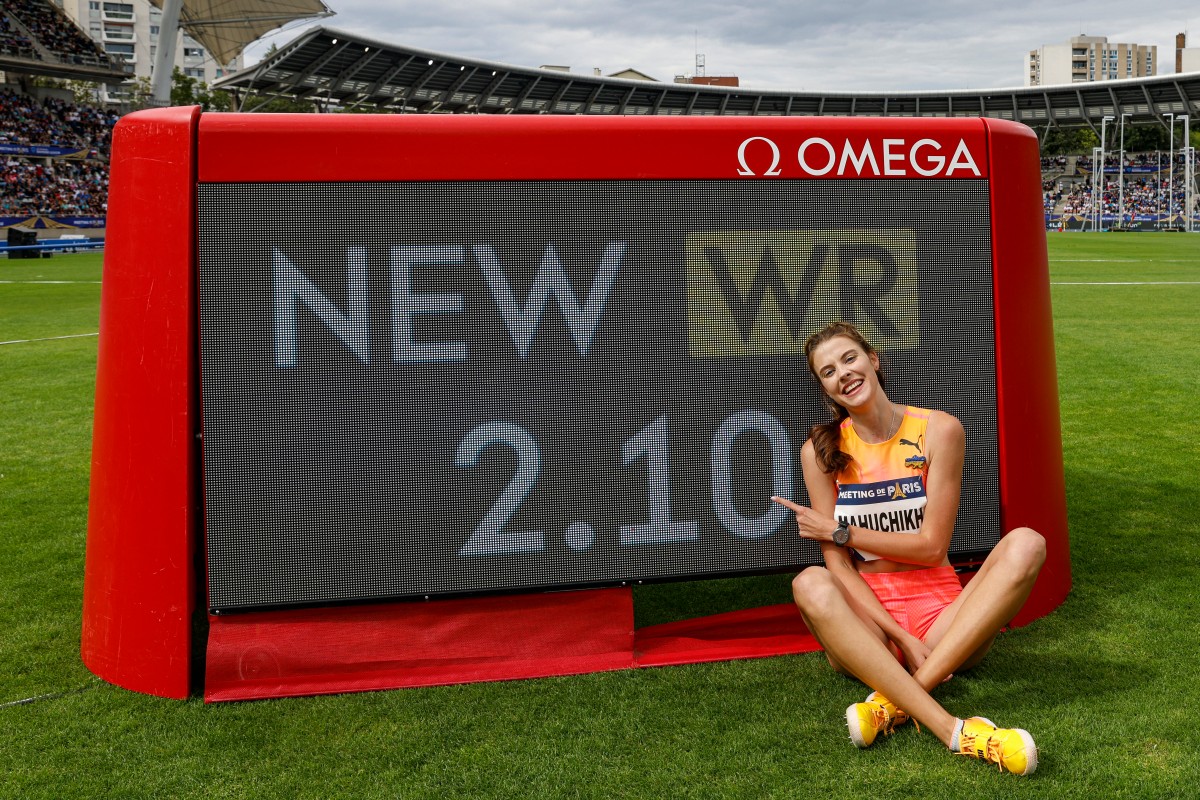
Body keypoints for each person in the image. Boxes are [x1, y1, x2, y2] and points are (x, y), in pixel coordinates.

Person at [771, 320, 1046, 776]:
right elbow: (838, 567)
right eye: (827, 371)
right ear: (825, 387)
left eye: (849, 358)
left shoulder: (939, 430)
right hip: (869, 627)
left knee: (1027, 544)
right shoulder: (819, 452)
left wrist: (841, 531)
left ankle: (893, 703)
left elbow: (932, 547)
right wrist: (898, 637)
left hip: (941, 619)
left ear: (873, 360)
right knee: (810, 583)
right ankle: (955, 731)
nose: (843, 373)